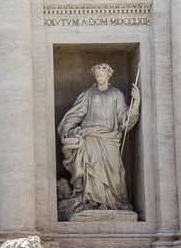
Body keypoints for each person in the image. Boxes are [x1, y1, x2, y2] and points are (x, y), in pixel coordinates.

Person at [57, 63, 140, 214]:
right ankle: (91, 201)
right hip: (90, 137)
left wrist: (136, 103)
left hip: (109, 139)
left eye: (102, 75)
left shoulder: (116, 94)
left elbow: (124, 119)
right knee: (91, 171)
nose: (99, 77)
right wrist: (69, 129)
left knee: (114, 172)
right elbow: (76, 114)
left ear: (108, 75)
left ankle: (115, 201)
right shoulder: (89, 94)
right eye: (97, 75)